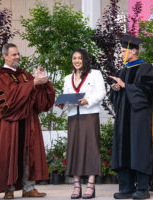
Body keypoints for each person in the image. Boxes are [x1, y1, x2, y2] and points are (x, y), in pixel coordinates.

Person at [0, 43, 55, 199]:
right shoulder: (0, 76)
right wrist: (32, 84)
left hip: (28, 121)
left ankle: (28, 188)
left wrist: (42, 81)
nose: (18, 57)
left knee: (29, 153)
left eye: (18, 54)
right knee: (8, 154)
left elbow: (40, 101)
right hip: (9, 123)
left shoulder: (25, 75)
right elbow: (7, 101)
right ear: (5, 56)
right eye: (14, 54)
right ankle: (8, 189)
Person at [110, 34, 153, 199]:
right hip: (123, 119)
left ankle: (143, 189)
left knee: (139, 150)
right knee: (123, 150)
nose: (121, 54)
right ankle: (126, 188)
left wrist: (126, 86)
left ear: (134, 51)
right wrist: (115, 90)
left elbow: (147, 93)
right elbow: (116, 98)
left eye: (123, 51)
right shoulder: (122, 70)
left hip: (139, 118)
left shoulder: (146, 68)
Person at [60, 49, 106, 199]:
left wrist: (88, 101)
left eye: (80, 58)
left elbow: (101, 93)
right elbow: (66, 95)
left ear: (85, 59)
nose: (77, 61)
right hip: (73, 116)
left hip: (89, 115)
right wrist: (62, 103)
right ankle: (76, 184)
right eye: (74, 58)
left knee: (91, 148)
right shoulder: (68, 78)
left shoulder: (95, 74)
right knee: (74, 148)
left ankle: (91, 184)